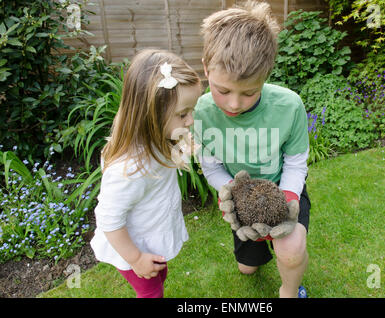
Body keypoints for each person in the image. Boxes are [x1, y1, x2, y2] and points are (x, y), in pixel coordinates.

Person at [193, 1, 311, 298]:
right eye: (223, 90)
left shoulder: (290, 105)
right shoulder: (201, 111)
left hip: (285, 189)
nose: (234, 104)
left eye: (249, 93)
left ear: (266, 76)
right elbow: (211, 166)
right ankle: (256, 255)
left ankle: (289, 289)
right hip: (241, 197)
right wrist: (231, 192)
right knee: (247, 268)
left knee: (291, 248)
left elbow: (296, 163)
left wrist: (287, 198)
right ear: (206, 68)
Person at [90, 49, 202, 298]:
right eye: (183, 114)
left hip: (152, 234)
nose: (190, 120)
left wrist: (184, 149)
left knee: (159, 276)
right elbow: (109, 219)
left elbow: (165, 159)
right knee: (151, 292)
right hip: (135, 246)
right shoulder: (129, 168)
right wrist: (137, 258)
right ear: (150, 113)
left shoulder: (157, 138)